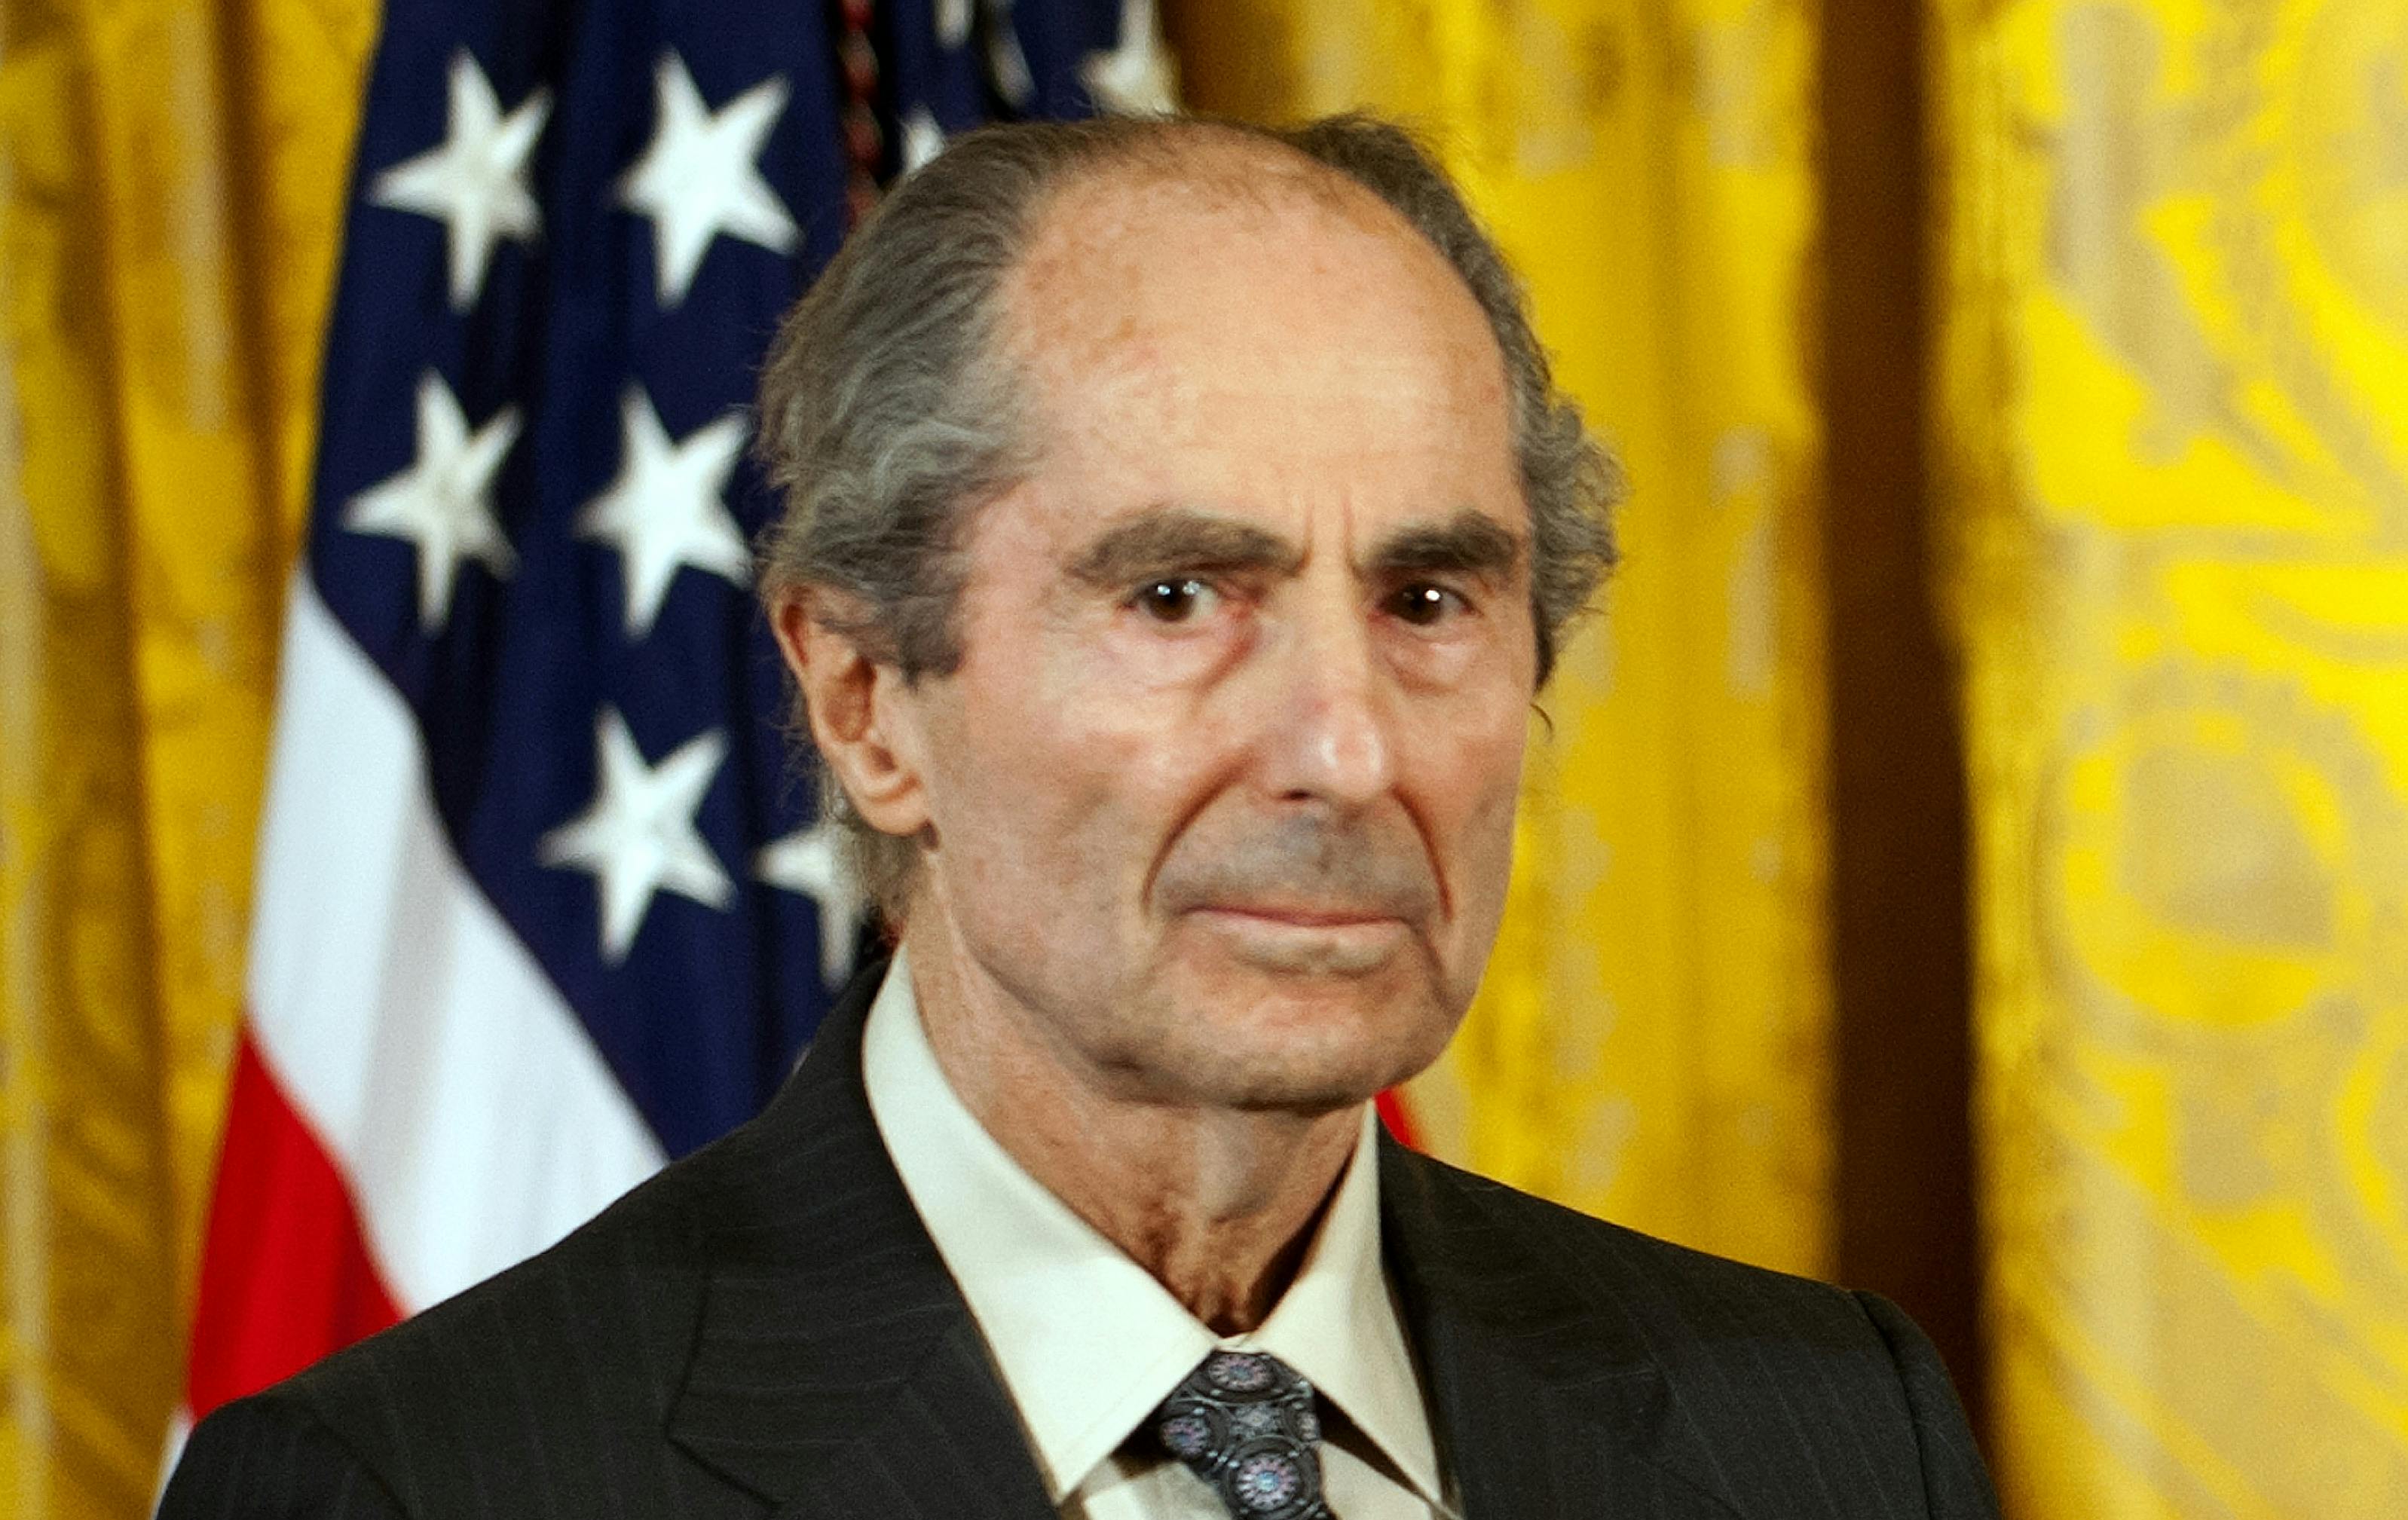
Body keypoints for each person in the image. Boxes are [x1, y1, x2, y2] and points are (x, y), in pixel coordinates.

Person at [162, 113, 1999, 1520]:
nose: (1345, 752)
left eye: (1428, 601)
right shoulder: (427, 1488)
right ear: (867, 699)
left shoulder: (1827, 1431)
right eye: (1180, 597)